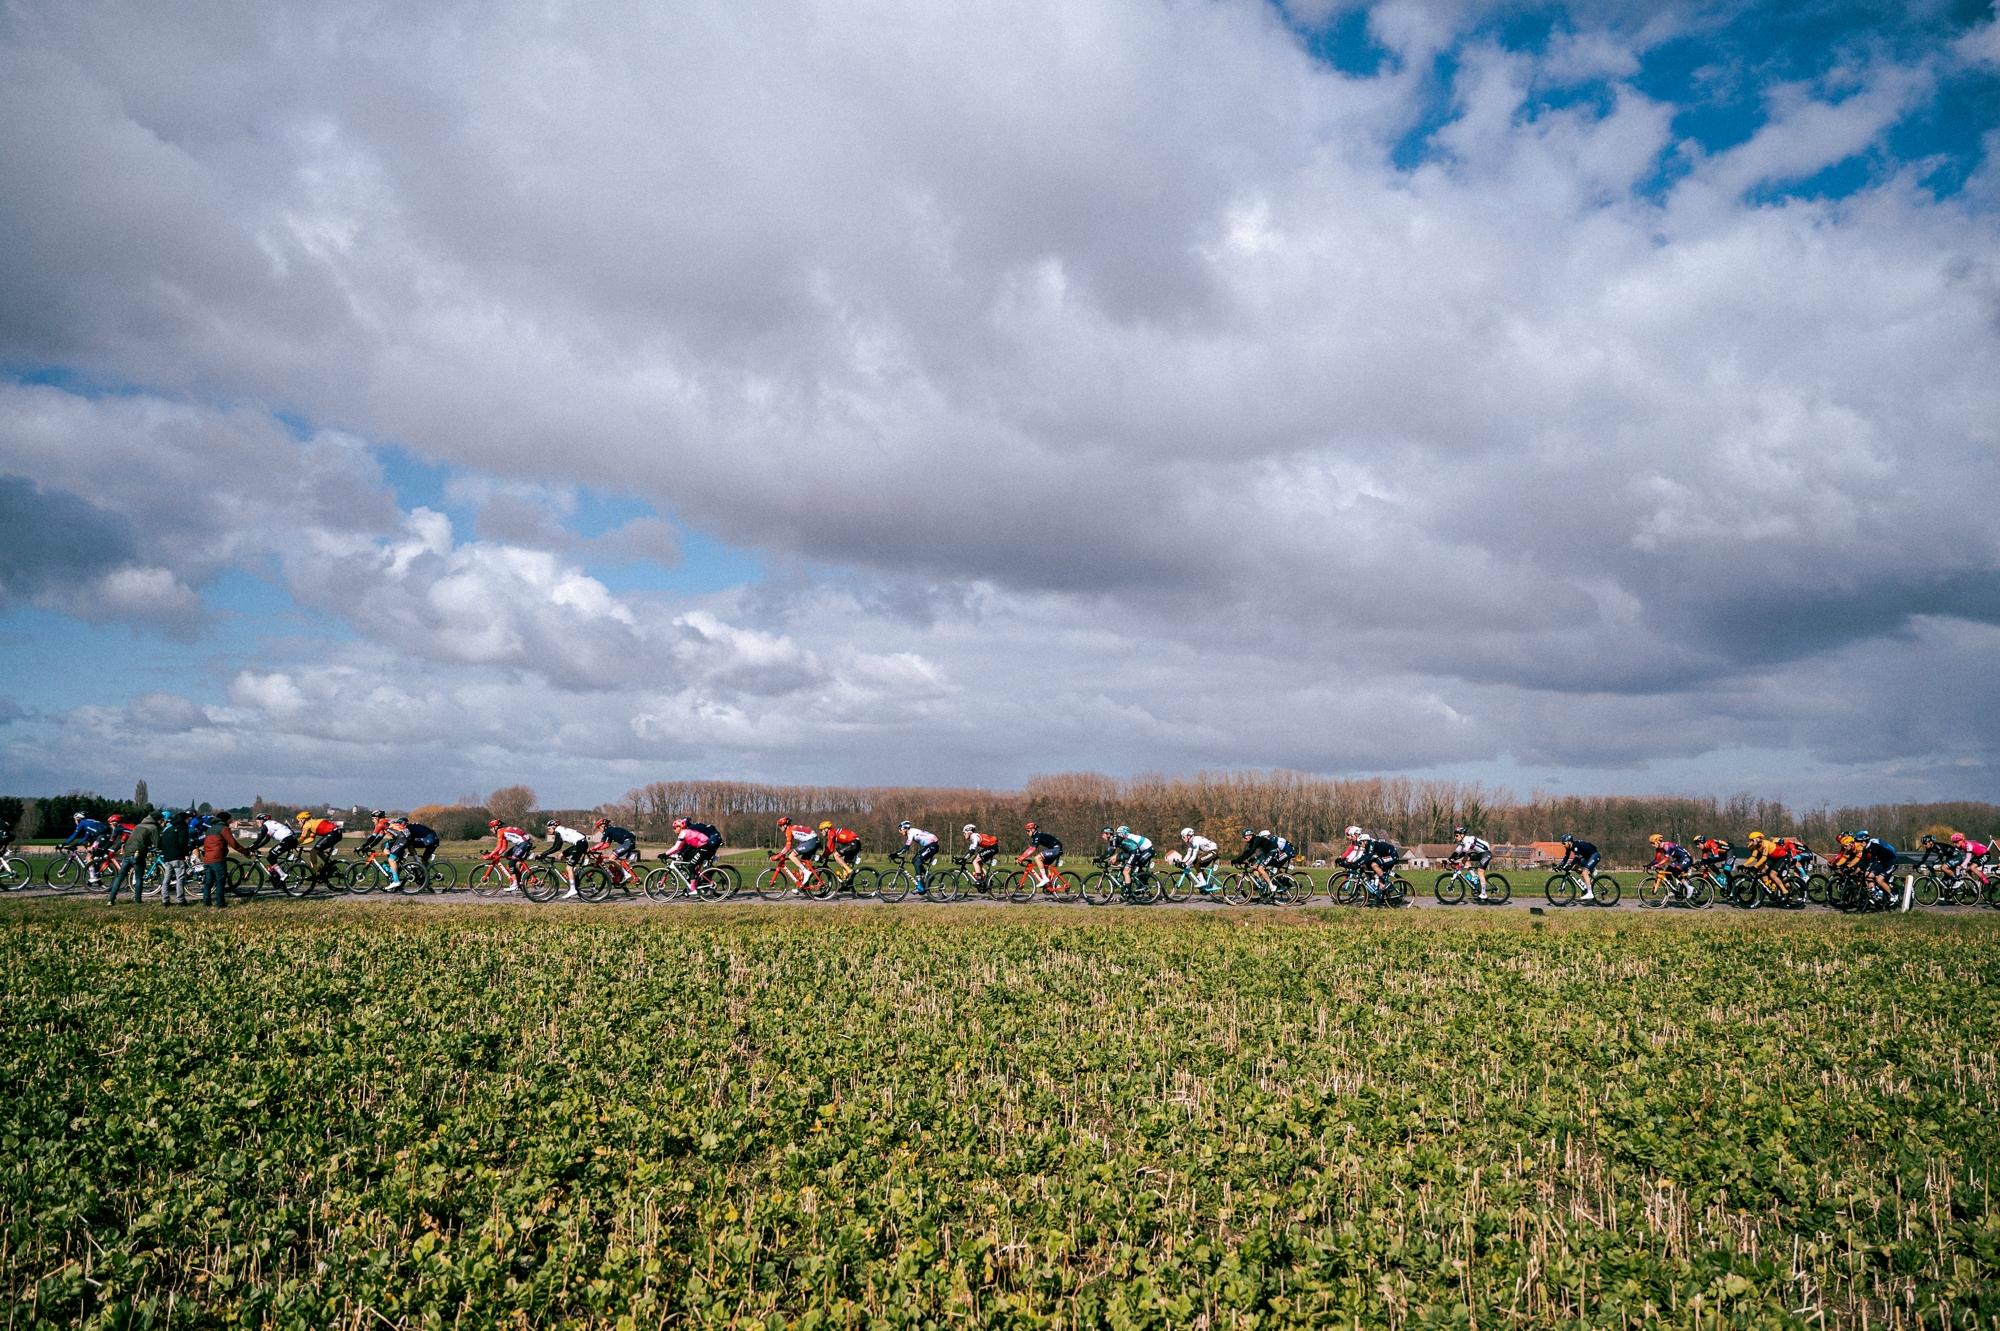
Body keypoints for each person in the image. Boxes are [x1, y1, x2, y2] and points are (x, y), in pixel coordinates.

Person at [197, 815, 249, 908]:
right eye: (230, 819)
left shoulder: (209, 829)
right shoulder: (224, 829)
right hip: (218, 858)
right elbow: (233, 843)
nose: (231, 821)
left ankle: (206, 902)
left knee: (208, 881)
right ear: (225, 819)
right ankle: (220, 903)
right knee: (220, 881)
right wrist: (245, 852)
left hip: (207, 859)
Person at [108, 812, 160, 904]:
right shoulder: (153, 827)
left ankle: (111, 900)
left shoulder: (138, 826)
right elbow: (157, 843)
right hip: (138, 854)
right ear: (157, 820)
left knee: (120, 877)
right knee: (139, 878)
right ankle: (137, 900)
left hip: (127, 852)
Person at [541, 819, 592, 898]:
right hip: (580, 843)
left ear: (554, 827)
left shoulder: (558, 832)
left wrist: (543, 854)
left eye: (549, 828)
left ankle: (572, 889)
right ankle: (573, 870)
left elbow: (556, 847)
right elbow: (582, 835)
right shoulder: (561, 830)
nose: (548, 830)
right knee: (561, 856)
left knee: (569, 867)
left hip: (580, 844)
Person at [589, 818, 642, 888]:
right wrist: (596, 849)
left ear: (603, 826)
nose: (599, 830)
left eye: (599, 828)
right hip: (627, 842)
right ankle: (620, 877)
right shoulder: (610, 831)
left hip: (627, 842)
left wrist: (591, 849)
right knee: (614, 862)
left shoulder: (607, 830)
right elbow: (607, 844)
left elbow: (602, 843)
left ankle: (626, 874)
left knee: (611, 858)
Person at [155, 810, 192, 906]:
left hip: (167, 857)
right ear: (184, 819)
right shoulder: (182, 828)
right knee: (180, 878)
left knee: (166, 879)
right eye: (188, 819)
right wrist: (186, 854)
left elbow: (161, 843)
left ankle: (165, 900)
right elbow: (183, 843)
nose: (189, 821)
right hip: (178, 857)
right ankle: (180, 900)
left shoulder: (168, 829)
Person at [1449, 825, 1495, 899]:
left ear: (1462, 835)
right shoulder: (1462, 842)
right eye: (1455, 835)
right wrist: (1449, 860)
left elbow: (1464, 852)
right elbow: (1456, 852)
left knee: (1480, 872)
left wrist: (1454, 859)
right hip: (1480, 854)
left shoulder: (1468, 840)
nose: (1455, 837)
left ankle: (1484, 894)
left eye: (1456, 835)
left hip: (1486, 854)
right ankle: (1474, 876)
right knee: (1465, 858)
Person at [487, 819, 534, 890]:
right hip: (522, 843)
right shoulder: (504, 831)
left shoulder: (500, 831)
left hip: (523, 844)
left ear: (496, 827)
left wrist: (490, 855)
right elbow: (504, 847)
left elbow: (498, 846)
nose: (490, 830)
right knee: (507, 855)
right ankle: (517, 875)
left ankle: (515, 884)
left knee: (511, 862)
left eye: (491, 828)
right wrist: (496, 854)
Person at [896, 820, 940, 895]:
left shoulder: (910, 832)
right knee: (914, 860)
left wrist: (896, 854)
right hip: (929, 846)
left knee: (917, 863)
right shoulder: (911, 831)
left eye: (900, 829)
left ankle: (920, 886)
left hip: (932, 846)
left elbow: (906, 847)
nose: (899, 831)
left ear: (905, 828)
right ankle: (929, 877)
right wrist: (897, 853)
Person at [1018, 822, 1064, 890]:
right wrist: (1021, 857)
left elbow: (1033, 849)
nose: (1027, 833)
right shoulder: (1035, 837)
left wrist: (1022, 857)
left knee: (1037, 858)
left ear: (1033, 830)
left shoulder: (1038, 836)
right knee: (1044, 866)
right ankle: (1055, 886)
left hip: (1056, 849)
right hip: (1054, 849)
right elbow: (1030, 848)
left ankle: (1045, 879)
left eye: (1028, 831)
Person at [1174, 828, 1220, 893]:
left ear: (1189, 836)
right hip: (1210, 851)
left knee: (1197, 861)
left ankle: (1203, 882)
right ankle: (1210, 885)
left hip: (1213, 851)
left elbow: (1194, 856)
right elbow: (1188, 854)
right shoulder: (1190, 842)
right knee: (1199, 869)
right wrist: (1182, 862)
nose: (1182, 838)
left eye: (1183, 837)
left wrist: (1186, 864)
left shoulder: (1195, 841)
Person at [1555, 834, 1600, 901]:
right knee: (1574, 868)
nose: (1563, 845)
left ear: (1569, 842)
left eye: (1564, 843)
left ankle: (1590, 893)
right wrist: (1560, 865)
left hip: (1594, 855)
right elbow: (1566, 857)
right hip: (1587, 857)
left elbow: (1576, 858)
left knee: (1584, 872)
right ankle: (1586, 882)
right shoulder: (1569, 847)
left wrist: (1570, 865)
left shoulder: (1576, 846)